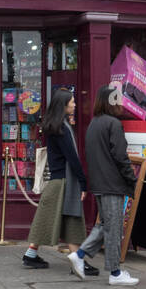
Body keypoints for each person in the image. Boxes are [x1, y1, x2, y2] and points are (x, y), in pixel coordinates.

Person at [21, 89, 97, 276]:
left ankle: (34, 254)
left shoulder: (54, 126)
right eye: (72, 102)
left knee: (48, 218)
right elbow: (72, 157)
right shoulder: (62, 128)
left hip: (58, 180)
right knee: (70, 218)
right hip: (65, 181)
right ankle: (76, 260)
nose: (75, 104)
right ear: (63, 105)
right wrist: (83, 182)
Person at [72, 85, 139, 286]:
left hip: (99, 183)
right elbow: (121, 157)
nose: (120, 104)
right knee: (114, 228)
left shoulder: (94, 123)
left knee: (105, 225)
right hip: (112, 184)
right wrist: (131, 179)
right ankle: (115, 273)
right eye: (117, 100)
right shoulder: (113, 124)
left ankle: (80, 254)